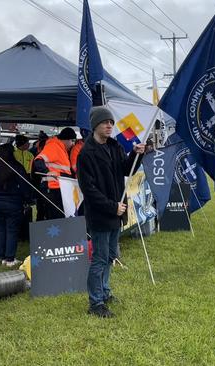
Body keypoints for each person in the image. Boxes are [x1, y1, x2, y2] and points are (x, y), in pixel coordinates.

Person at [78, 106, 146, 318]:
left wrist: (136, 155)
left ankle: (105, 292)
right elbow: (88, 189)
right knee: (99, 258)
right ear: (95, 125)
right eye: (105, 122)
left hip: (118, 211)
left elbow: (127, 170)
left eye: (111, 122)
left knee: (109, 255)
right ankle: (96, 303)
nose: (109, 125)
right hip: (101, 213)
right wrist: (111, 206)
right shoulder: (86, 153)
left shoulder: (115, 146)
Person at [0, 144, 32, 267]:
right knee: (12, 230)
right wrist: (28, 199)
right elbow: (25, 187)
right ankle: (10, 259)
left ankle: (2, 256)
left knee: (0, 230)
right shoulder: (17, 167)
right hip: (13, 204)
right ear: (12, 153)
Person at [32, 128, 76, 220]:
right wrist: (47, 173)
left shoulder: (61, 149)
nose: (72, 144)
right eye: (72, 140)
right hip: (52, 189)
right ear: (66, 139)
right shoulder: (54, 146)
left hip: (58, 189)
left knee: (59, 217)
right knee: (55, 218)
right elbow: (38, 160)